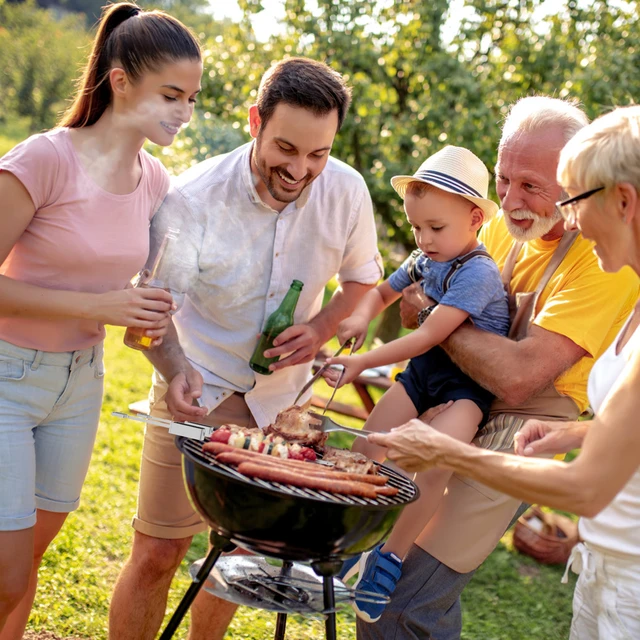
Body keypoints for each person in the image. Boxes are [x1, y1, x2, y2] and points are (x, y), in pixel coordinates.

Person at [108, 57, 383, 640]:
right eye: (287, 148)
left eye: (319, 154)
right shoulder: (193, 198)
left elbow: (362, 283)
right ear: (255, 120)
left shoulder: (348, 191)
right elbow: (153, 314)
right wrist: (176, 369)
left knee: (235, 565)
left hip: (282, 407)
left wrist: (321, 327)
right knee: (159, 552)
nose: (301, 169)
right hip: (196, 389)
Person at [354, 96, 640, 640]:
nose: (510, 200)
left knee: (405, 597)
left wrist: (435, 319)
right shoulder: (494, 225)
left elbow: (516, 375)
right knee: (384, 572)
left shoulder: (608, 264)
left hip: (518, 420)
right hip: (465, 400)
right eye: (504, 180)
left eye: (533, 185)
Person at [0, 4, 202, 638]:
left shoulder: (153, 181)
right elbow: (102, 300)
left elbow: (139, 306)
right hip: (7, 375)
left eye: (192, 98)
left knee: (27, 561)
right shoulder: (43, 159)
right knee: (4, 570)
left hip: (77, 386)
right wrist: (99, 307)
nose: (183, 112)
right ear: (120, 82)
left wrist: (177, 366)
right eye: (171, 95)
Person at [322, 146, 509, 622]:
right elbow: (384, 291)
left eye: (435, 228)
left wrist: (361, 362)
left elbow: (429, 332)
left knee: (435, 465)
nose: (423, 239)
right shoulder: (427, 257)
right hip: (426, 372)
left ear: (475, 219)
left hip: (466, 387)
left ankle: (391, 557)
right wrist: (361, 317)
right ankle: (349, 538)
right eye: (416, 228)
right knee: (368, 441)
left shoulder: (479, 272)